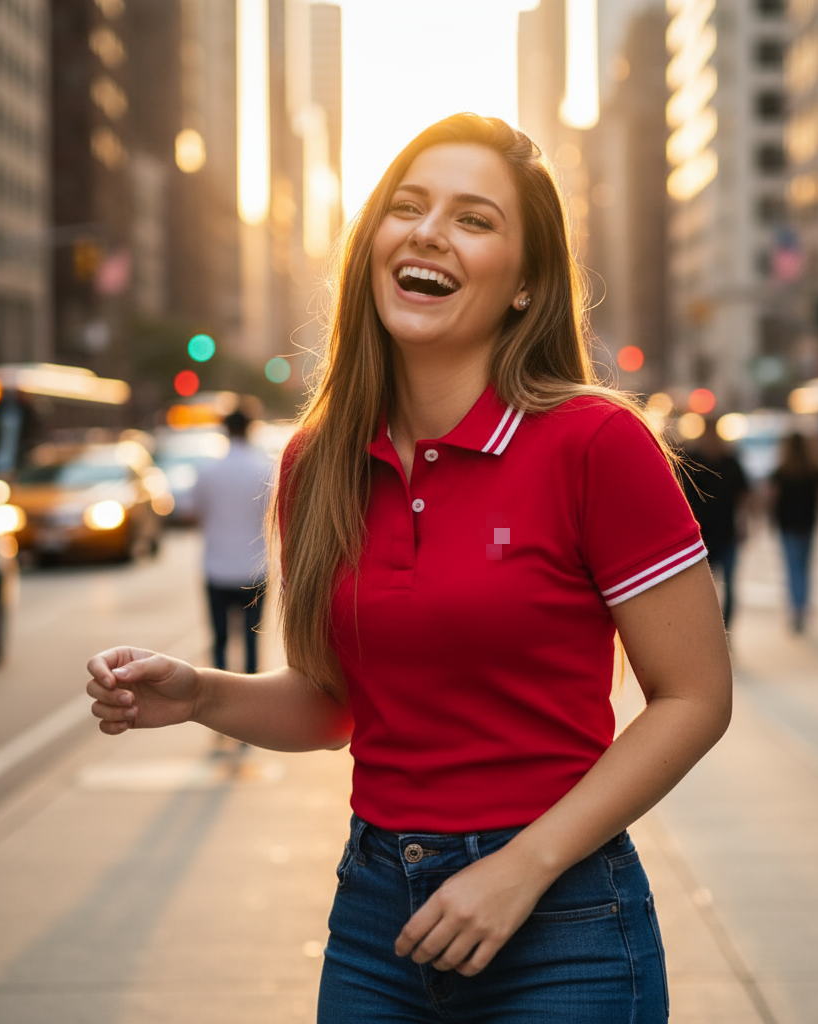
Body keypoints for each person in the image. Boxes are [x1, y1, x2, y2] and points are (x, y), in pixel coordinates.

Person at [86, 114, 732, 1023]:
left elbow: (696, 697)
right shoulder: (317, 460)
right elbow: (335, 703)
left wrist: (522, 869)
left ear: (526, 286)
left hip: (566, 922)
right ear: (371, 245)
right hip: (378, 920)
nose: (429, 231)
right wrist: (198, 693)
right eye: (408, 207)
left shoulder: (595, 442)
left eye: (475, 219)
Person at [192, 408, 272, 675]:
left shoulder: (208, 470)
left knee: (220, 640)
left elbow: (193, 511)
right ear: (250, 429)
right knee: (252, 640)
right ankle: (252, 701)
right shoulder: (264, 469)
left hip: (217, 568)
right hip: (254, 569)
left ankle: (218, 699)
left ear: (224, 430)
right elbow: (273, 515)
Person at [681, 419, 750, 629]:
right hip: (700, 535)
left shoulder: (730, 462)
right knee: (703, 588)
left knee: (728, 586)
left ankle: (725, 629)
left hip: (726, 532)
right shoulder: (692, 460)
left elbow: (743, 496)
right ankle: (707, 628)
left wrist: (744, 523)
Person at [768, 432, 818, 633]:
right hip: (807, 523)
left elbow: (772, 497)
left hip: (787, 524)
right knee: (804, 567)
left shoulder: (782, 470)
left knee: (792, 567)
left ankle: (797, 608)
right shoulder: (813, 470)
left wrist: (769, 518)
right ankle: (802, 606)